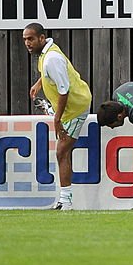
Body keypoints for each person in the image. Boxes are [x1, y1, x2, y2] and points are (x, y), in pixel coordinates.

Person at [23, 23, 92, 210]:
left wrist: (57, 119)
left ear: (42, 38)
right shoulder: (47, 52)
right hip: (73, 104)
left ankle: (66, 202)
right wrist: (39, 83)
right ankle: (65, 200)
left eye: (30, 39)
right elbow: (51, 74)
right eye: (25, 40)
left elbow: (64, 91)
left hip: (75, 107)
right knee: (63, 151)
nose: (27, 43)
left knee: (62, 151)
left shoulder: (50, 58)